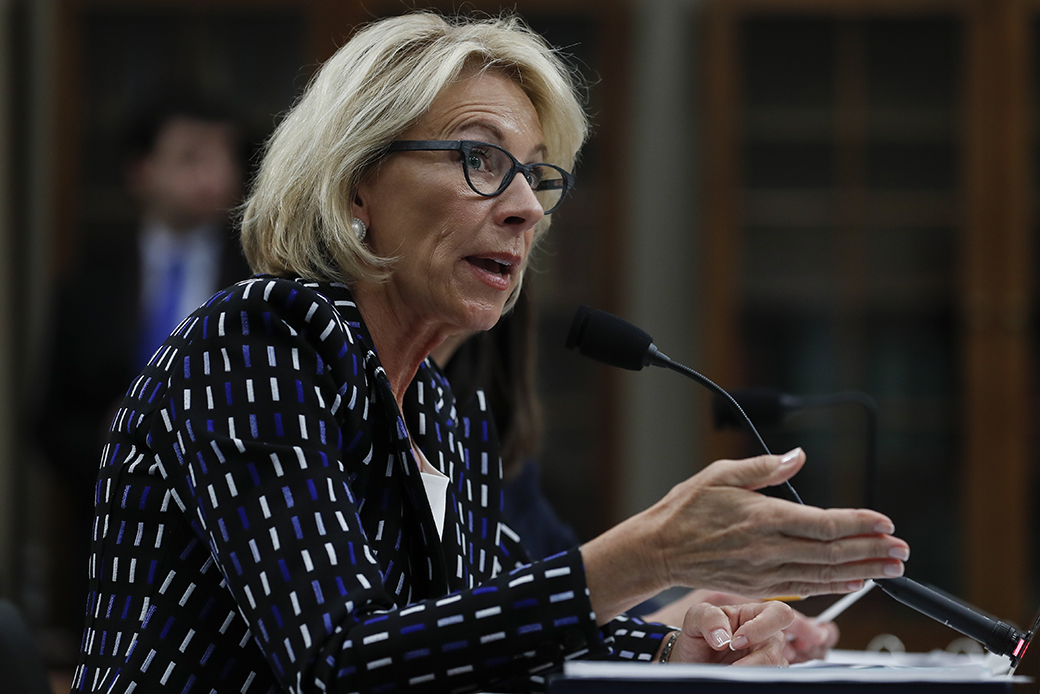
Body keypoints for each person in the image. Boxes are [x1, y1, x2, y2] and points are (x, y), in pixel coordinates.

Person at [71, 12, 908, 693]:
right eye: (480, 160)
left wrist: (672, 648)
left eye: (538, 178)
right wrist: (649, 552)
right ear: (356, 183)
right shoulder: (254, 343)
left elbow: (476, 629)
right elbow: (339, 662)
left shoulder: (443, 415)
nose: (525, 211)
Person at [432, 290, 839, 664]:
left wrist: (680, 633)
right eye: (483, 201)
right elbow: (391, 651)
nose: (527, 211)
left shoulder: (482, 433)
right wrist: (653, 559)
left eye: (543, 204)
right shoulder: (376, 407)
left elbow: (536, 599)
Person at [37, 92, 250, 649]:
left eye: (223, 156)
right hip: (115, 532)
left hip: (235, 528)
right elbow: (48, 418)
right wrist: (113, 444)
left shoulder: (260, 271)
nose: (213, 174)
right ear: (141, 172)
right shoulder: (90, 283)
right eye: (189, 157)